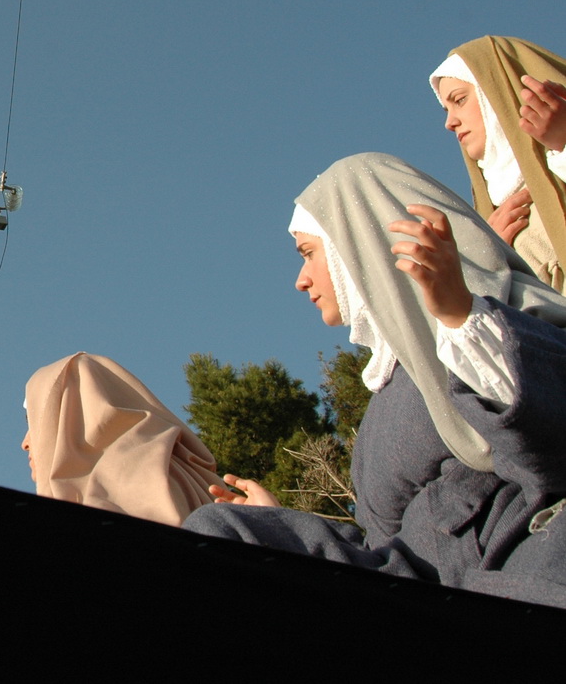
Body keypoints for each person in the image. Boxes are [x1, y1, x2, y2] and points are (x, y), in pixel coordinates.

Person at [183, 153, 566, 606]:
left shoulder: (494, 322)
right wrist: (282, 523)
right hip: (414, 577)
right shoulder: (388, 385)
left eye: (308, 253)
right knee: (222, 533)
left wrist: (459, 315)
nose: (300, 281)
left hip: (511, 564)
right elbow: (384, 547)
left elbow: (550, 440)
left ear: (361, 243)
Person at [430, 36, 566, 291]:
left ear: (498, 93)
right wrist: (488, 259)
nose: (450, 123)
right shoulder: (490, 220)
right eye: (446, 109)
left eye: (459, 100)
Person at [22, 352, 219, 525]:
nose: (25, 443)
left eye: (33, 421)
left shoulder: (126, 476)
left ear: (73, 414)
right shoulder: (169, 466)